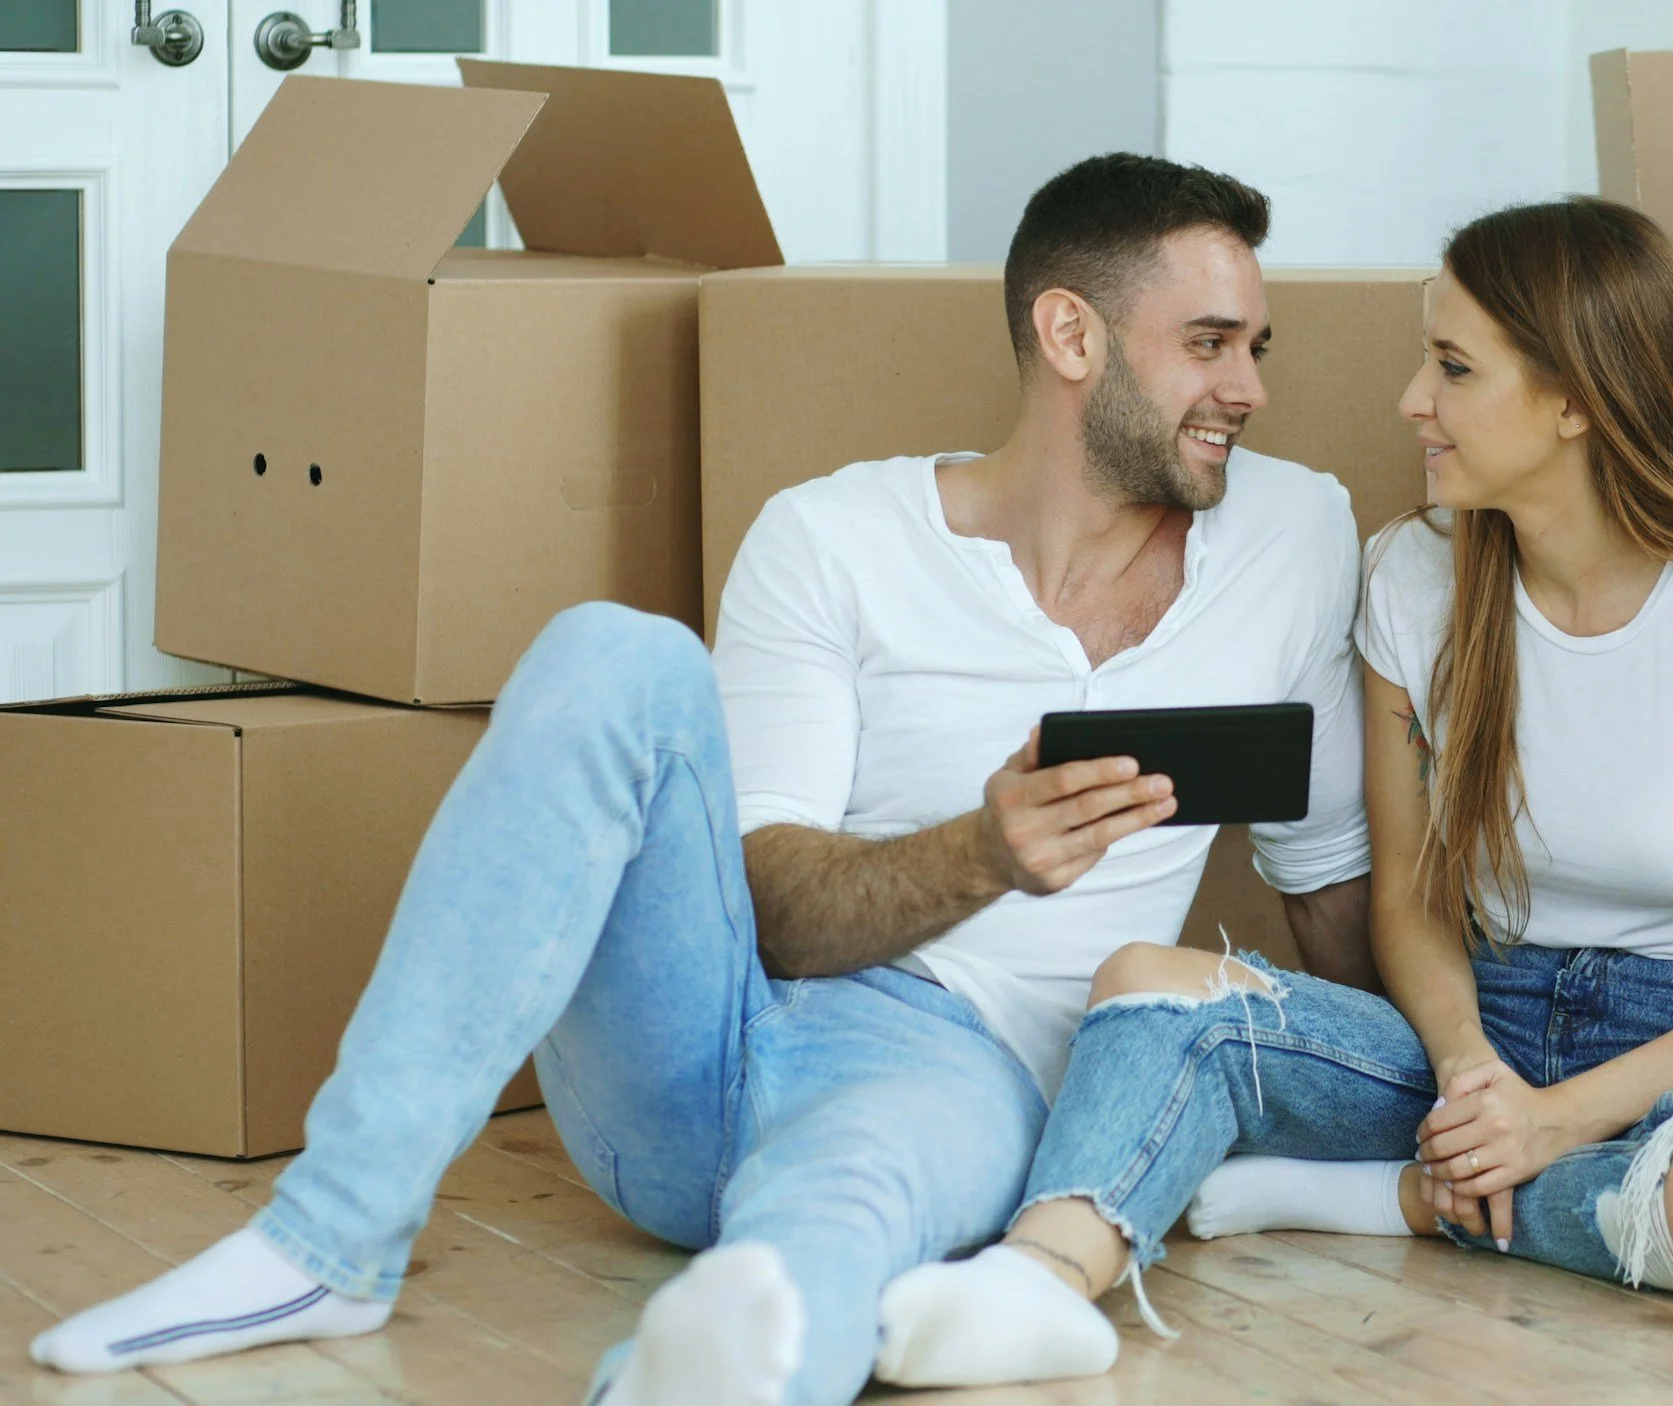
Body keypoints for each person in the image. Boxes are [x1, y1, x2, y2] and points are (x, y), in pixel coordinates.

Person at [27, 154, 1374, 1406]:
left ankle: (715, 1355)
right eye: (1210, 344)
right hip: (702, 1033)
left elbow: (1324, 873)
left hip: (966, 1070)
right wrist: (983, 851)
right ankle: (330, 1235)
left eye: (1256, 346)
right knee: (614, 652)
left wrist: (1416, 1105)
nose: (1249, 385)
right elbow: (772, 904)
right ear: (1070, 336)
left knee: (821, 1234)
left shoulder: (1296, 530)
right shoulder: (834, 533)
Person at [872, 196, 1673, 1389]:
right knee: (1152, 986)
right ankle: (1035, 1280)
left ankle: (1410, 1198)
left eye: (1452, 367)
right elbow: (1409, 900)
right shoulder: (1413, 575)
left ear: (1574, 399)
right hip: (1476, 1030)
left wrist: (1558, 1117)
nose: (1412, 398)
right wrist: (1473, 1079)